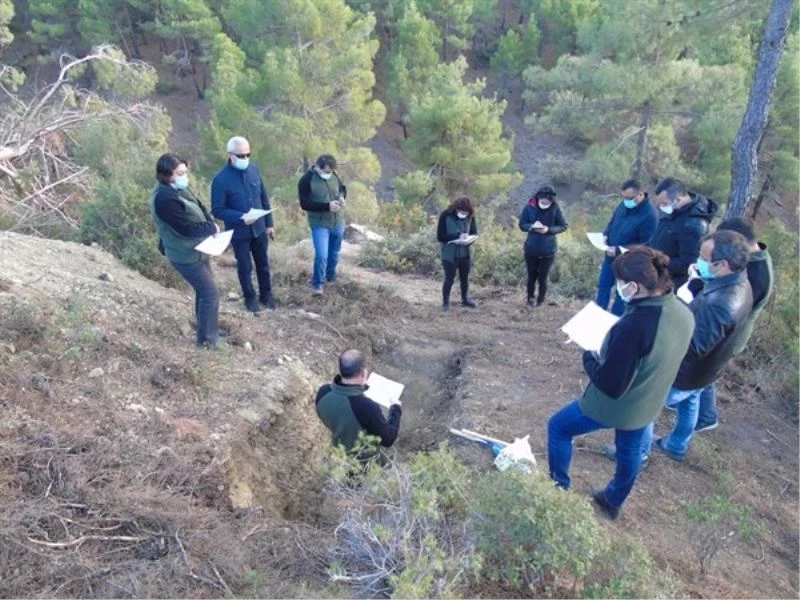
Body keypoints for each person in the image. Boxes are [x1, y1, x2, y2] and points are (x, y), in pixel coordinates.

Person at [547, 247, 694, 520]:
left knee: (558, 428)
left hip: (617, 404)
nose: (618, 288)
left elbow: (611, 386)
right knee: (630, 451)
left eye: (620, 283)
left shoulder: (635, 325)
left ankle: (558, 491)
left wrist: (589, 355)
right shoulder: (683, 312)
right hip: (648, 402)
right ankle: (612, 501)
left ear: (634, 286)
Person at [642, 230, 752, 463]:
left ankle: (638, 453)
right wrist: (698, 285)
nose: (697, 262)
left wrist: (682, 303)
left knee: (646, 407)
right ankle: (677, 445)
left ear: (721, 265)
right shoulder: (739, 282)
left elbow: (695, 347)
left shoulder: (720, 303)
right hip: (707, 371)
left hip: (687, 371)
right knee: (689, 404)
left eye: (703, 258)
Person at [694, 216, 774, 432]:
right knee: (707, 371)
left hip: (732, 333)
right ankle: (702, 412)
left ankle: (705, 416)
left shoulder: (757, 272)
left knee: (707, 369)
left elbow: (736, 308)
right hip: (725, 327)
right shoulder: (750, 261)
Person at [150, 153, 222, 348]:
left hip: (199, 249)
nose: (184, 176)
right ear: (167, 175)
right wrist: (211, 228)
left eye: (185, 172)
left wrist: (210, 222)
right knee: (210, 293)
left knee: (204, 292)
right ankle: (207, 340)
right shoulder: (164, 198)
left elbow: (200, 206)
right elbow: (184, 228)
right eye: (180, 173)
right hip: (184, 254)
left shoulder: (179, 189)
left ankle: (207, 328)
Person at [211, 136, 276, 313]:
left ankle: (266, 295)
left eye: (248, 154)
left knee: (263, 263)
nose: (245, 158)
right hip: (239, 231)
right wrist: (241, 217)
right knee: (245, 266)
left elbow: (263, 197)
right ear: (231, 155)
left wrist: (269, 223)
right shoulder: (220, 179)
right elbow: (217, 210)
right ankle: (250, 298)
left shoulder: (254, 170)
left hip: (259, 228)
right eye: (241, 155)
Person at [315, 349, 402, 455]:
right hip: (362, 459)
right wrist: (396, 408)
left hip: (338, 452)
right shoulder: (367, 408)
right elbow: (388, 439)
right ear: (363, 373)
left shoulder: (323, 393)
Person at [595, 179, 658, 315]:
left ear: (640, 194)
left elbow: (647, 244)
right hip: (610, 258)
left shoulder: (650, 215)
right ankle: (598, 315)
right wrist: (605, 235)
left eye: (629, 198)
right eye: (623, 197)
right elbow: (612, 223)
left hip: (628, 262)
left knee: (622, 295)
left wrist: (618, 250)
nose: (626, 200)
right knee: (603, 286)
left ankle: (615, 321)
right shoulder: (623, 206)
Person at [648, 177, 718, 289]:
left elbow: (688, 263)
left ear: (678, 199)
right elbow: (658, 237)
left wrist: (658, 262)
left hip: (673, 283)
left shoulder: (694, 225)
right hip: (656, 275)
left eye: (664, 203)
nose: (661, 207)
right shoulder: (673, 211)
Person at [298, 154, 347, 296]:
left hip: (337, 222)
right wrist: (327, 206)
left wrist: (342, 197)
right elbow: (304, 203)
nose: (329, 174)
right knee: (321, 255)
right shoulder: (306, 180)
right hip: (319, 224)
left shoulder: (334, 175)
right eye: (326, 172)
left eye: (331, 172)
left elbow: (342, 188)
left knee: (334, 254)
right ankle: (318, 285)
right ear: (318, 167)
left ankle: (330, 278)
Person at [518, 184, 568, 306]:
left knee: (543, 277)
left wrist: (549, 230)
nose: (545, 204)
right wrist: (531, 227)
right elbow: (522, 224)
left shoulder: (555, 208)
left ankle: (540, 300)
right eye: (543, 201)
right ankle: (530, 299)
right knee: (531, 276)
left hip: (548, 249)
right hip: (531, 248)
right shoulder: (529, 207)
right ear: (538, 198)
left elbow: (563, 226)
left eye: (548, 202)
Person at [437, 196, 479, 311]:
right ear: (456, 208)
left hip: (465, 253)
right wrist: (457, 237)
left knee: (465, 278)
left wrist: (468, 241)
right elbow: (440, 236)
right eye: (461, 212)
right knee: (449, 278)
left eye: (466, 212)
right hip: (449, 254)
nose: (463, 214)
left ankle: (465, 299)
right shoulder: (445, 215)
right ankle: (445, 303)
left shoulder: (470, 216)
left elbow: (474, 233)